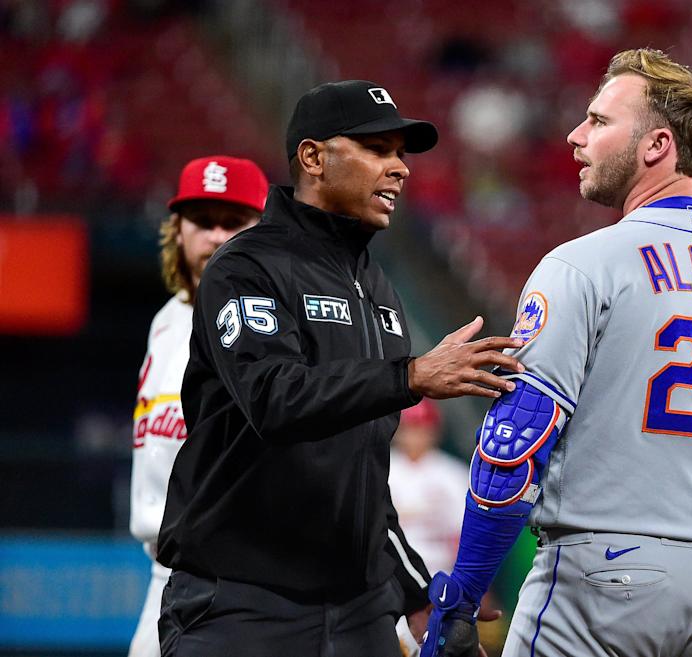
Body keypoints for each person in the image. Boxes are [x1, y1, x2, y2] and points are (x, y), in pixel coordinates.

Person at [421, 49, 692, 657]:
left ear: (656, 145)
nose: (576, 135)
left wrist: (462, 599)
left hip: (600, 578)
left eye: (599, 121)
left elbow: (518, 440)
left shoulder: (584, 265)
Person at [155, 80, 525, 657]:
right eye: (377, 149)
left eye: (401, 154)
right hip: (241, 603)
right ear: (313, 157)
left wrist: (415, 593)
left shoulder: (377, 288)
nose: (399, 169)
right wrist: (409, 376)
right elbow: (273, 398)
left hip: (356, 610)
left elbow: (364, 478)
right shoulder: (247, 266)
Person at [128, 155, 268, 657]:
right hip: (165, 572)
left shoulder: (266, 326)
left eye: (232, 222)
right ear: (178, 229)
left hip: (239, 579)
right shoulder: (166, 320)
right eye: (202, 221)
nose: (213, 236)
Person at [390, 399, 470, 656]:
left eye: (421, 428)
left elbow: (462, 538)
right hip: (391, 581)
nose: (415, 435)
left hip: (441, 580)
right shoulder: (384, 468)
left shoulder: (452, 473)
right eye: (410, 428)